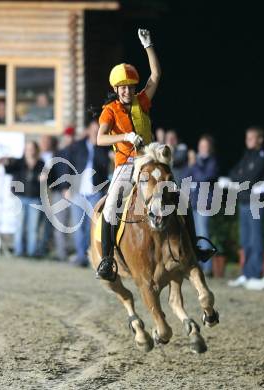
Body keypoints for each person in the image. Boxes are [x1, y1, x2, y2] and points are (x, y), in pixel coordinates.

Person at [95, 29, 216, 282]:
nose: (127, 91)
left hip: (150, 161)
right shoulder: (110, 111)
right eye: (123, 88)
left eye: (130, 87)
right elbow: (100, 138)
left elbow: (156, 75)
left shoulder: (142, 101)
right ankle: (107, 260)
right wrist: (124, 137)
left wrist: (148, 46)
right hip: (127, 164)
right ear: (116, 89)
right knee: (111, 208)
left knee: (179, 198)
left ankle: (194, 247)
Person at [228, 126, 264, 287]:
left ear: (260, 139)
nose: (248, 141)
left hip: (256, 202)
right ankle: (246, 273)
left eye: (252, 138)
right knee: (245, 240)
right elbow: (233, 172)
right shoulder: (247, 155)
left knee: (256, 239)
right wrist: (240, 177)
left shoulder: (262, 156)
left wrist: (240, 177)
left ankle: (255, 274)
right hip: (244, 201)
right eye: (247, 138)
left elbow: (250, 177)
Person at [66, 114, 109, 266]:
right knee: (78, 227)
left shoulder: (102, 148)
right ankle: (80, 256)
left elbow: (104, 166)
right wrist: (67, 187)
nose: (94, 132)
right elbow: (67, 164)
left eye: (97, 130)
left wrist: (96, 145)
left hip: (95, 193)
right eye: (93, 129)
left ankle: (90, 255)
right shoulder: (77, 146)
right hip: (78, 192)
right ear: (88, 130)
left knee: (91, 226)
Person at [0, 141, 44, 257]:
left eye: (31, 148)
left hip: (35, 198)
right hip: (20, 198)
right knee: (19, 226)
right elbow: (8, 169)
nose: (29, 150)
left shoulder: (41, 163)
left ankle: (31, 252)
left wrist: (44, 178)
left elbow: (49, 177)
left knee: (33, 228)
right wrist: (5, 162)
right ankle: (19, 251)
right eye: (27, 148)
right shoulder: (18, 162)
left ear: (35, 150)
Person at [187, 134, 219, 276]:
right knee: (196, 235)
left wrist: (194, 164)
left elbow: (203, 178)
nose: (202, 148)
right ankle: (198, 265)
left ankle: (207, 268)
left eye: (205, 146)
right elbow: (186, 176)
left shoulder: (212, 161)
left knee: (204, 234)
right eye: (200, 146)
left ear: (210, 148)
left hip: (205, 203)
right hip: (194, 202)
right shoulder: (198, 162)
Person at [47, 126, 76, 261]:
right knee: (60, 225)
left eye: (71, 136)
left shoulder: (79, 152)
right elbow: (52, 173)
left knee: (76, 225)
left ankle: (77, 252)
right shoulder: (57, 153)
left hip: (75, 193)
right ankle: (61, 253)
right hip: (59, 193)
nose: (68, 139)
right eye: (67, 136)